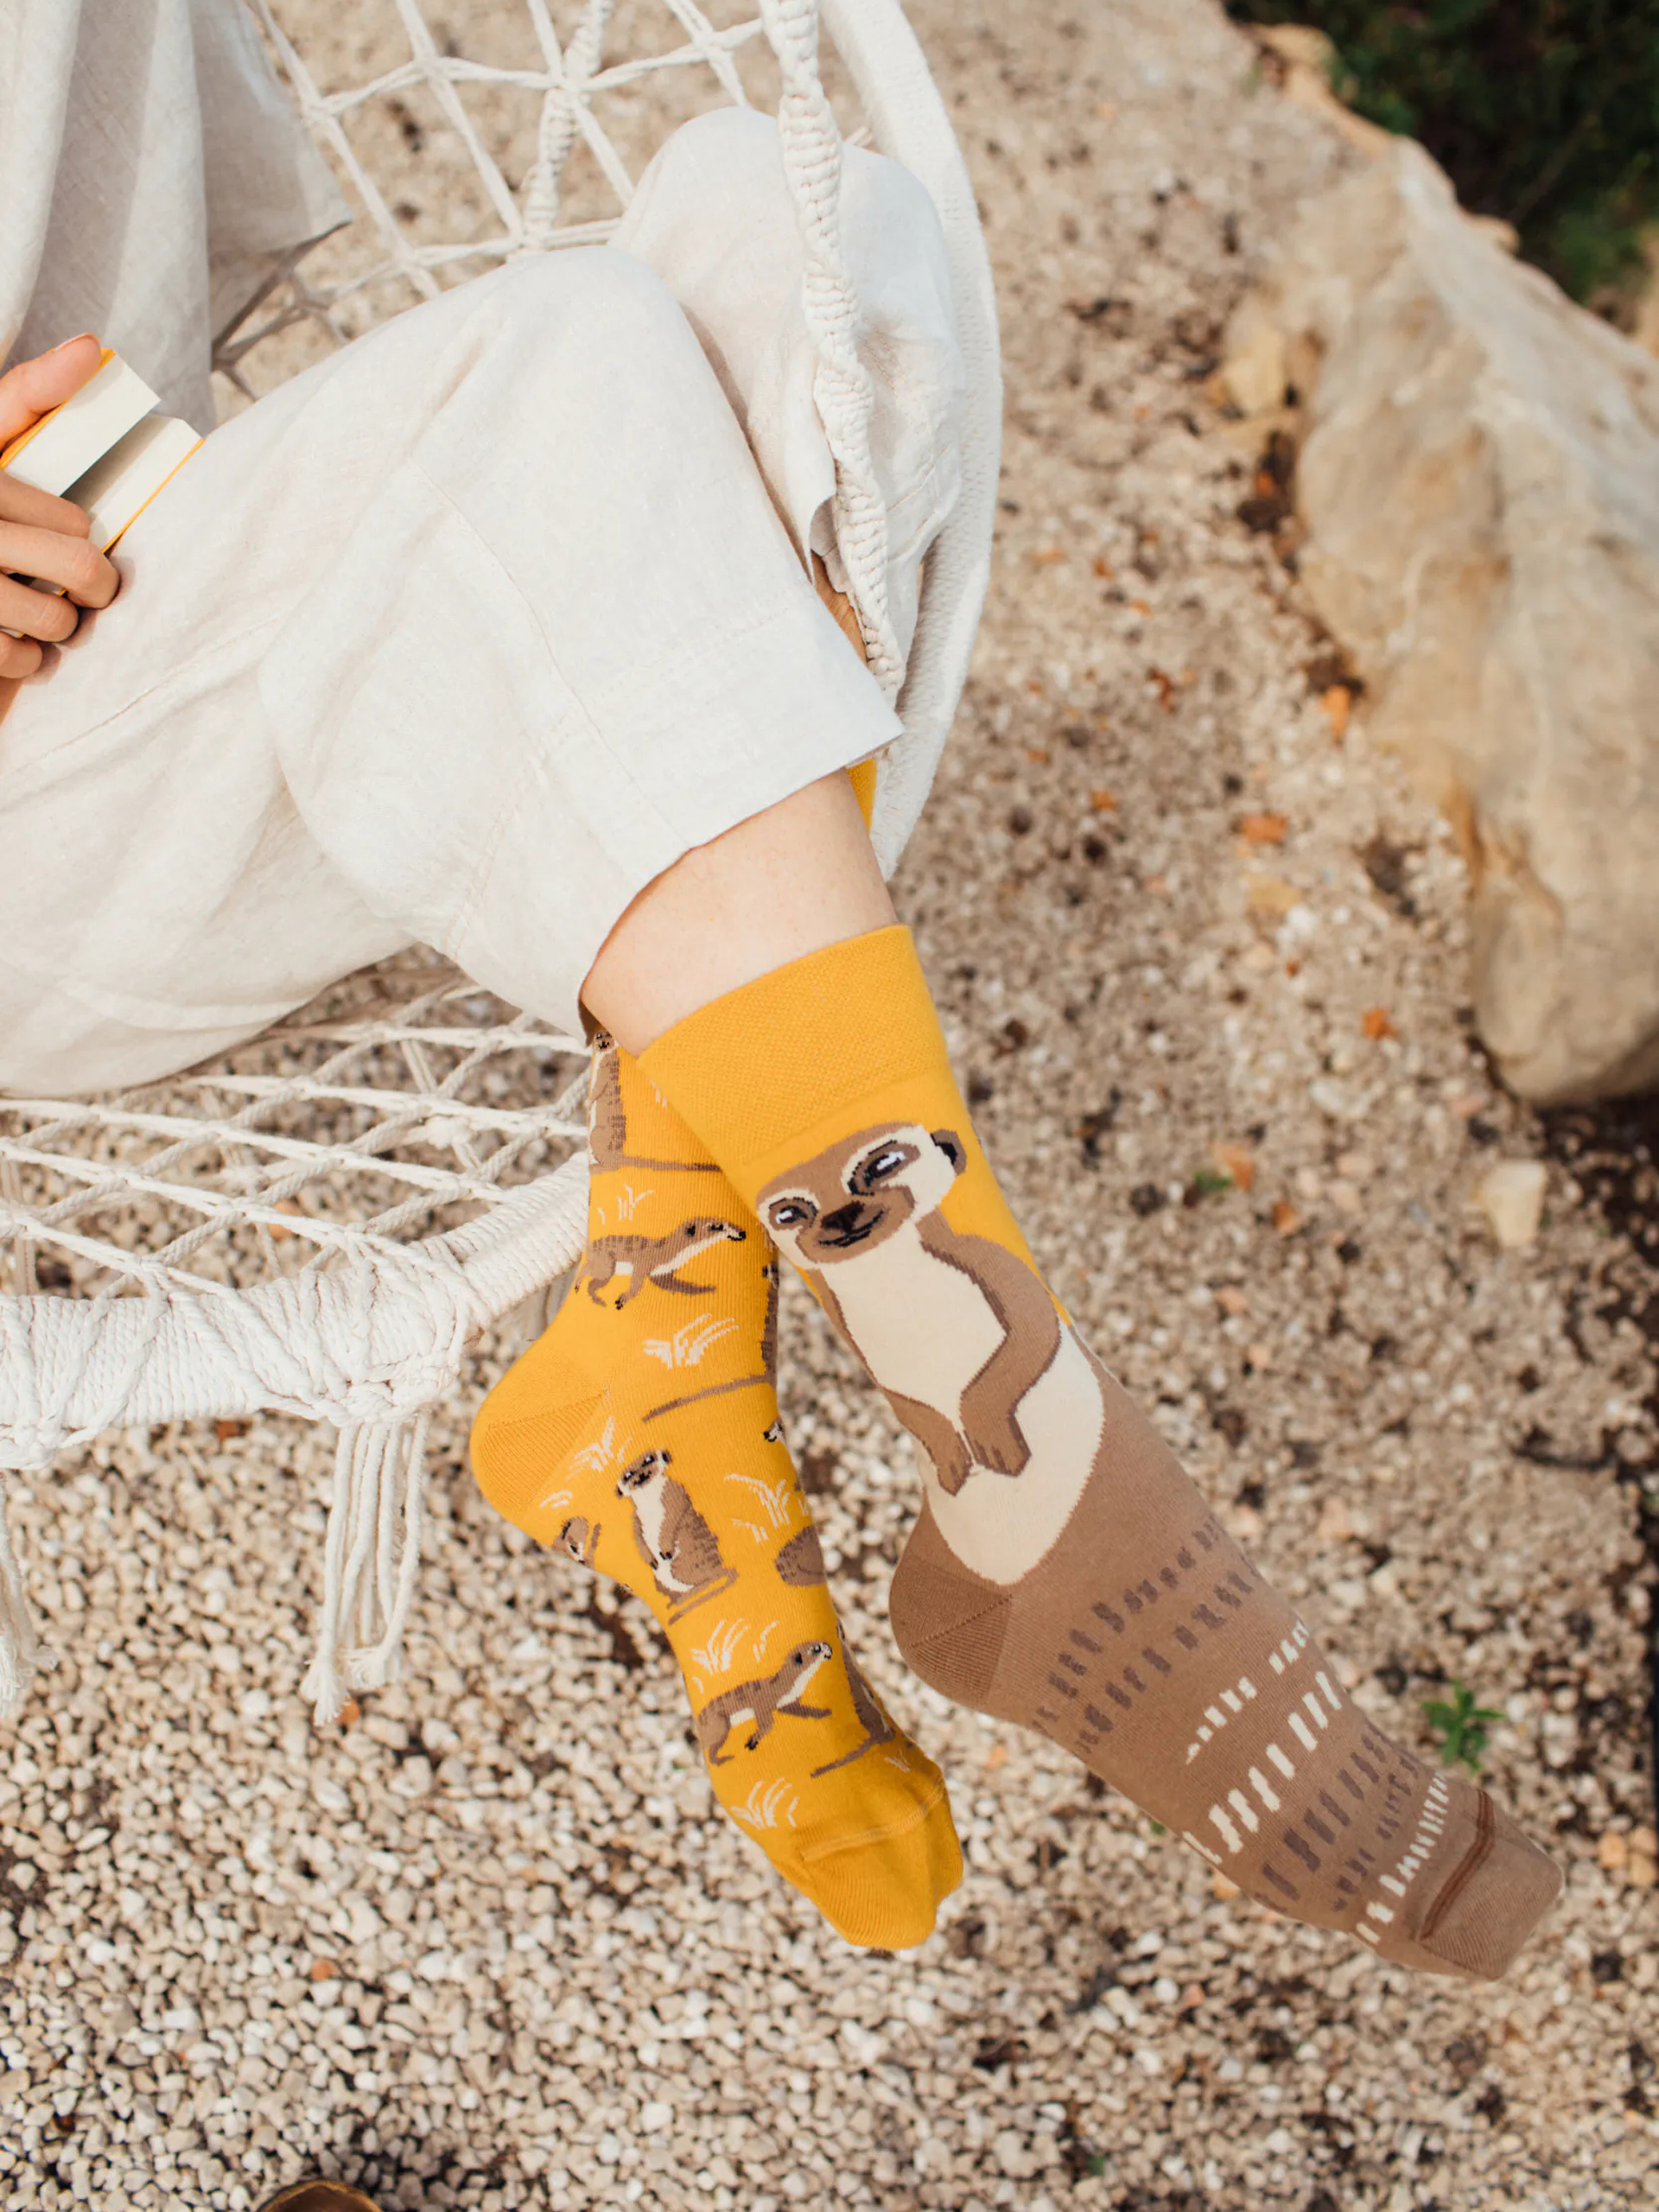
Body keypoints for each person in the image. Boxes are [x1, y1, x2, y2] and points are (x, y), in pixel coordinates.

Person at [4, 3, 1561, 1980]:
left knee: (827, 247)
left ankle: (671, 1370)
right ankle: (1045, 1477)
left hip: (144, 574)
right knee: (565, 369)